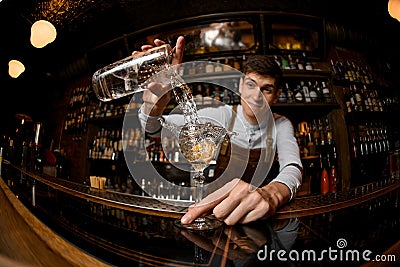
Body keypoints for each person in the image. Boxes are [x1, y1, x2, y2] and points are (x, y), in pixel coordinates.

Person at [137, 36, 302, 226]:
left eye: (266, 89)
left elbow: (292, 166)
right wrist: (154, 107)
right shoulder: (224, 115)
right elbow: (156, 128)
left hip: (255, 216)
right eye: (250, 85)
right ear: (240, 86)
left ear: (277, 95)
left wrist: (271, 194)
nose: (256, 96)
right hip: (211, 214)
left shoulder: (281, 125)